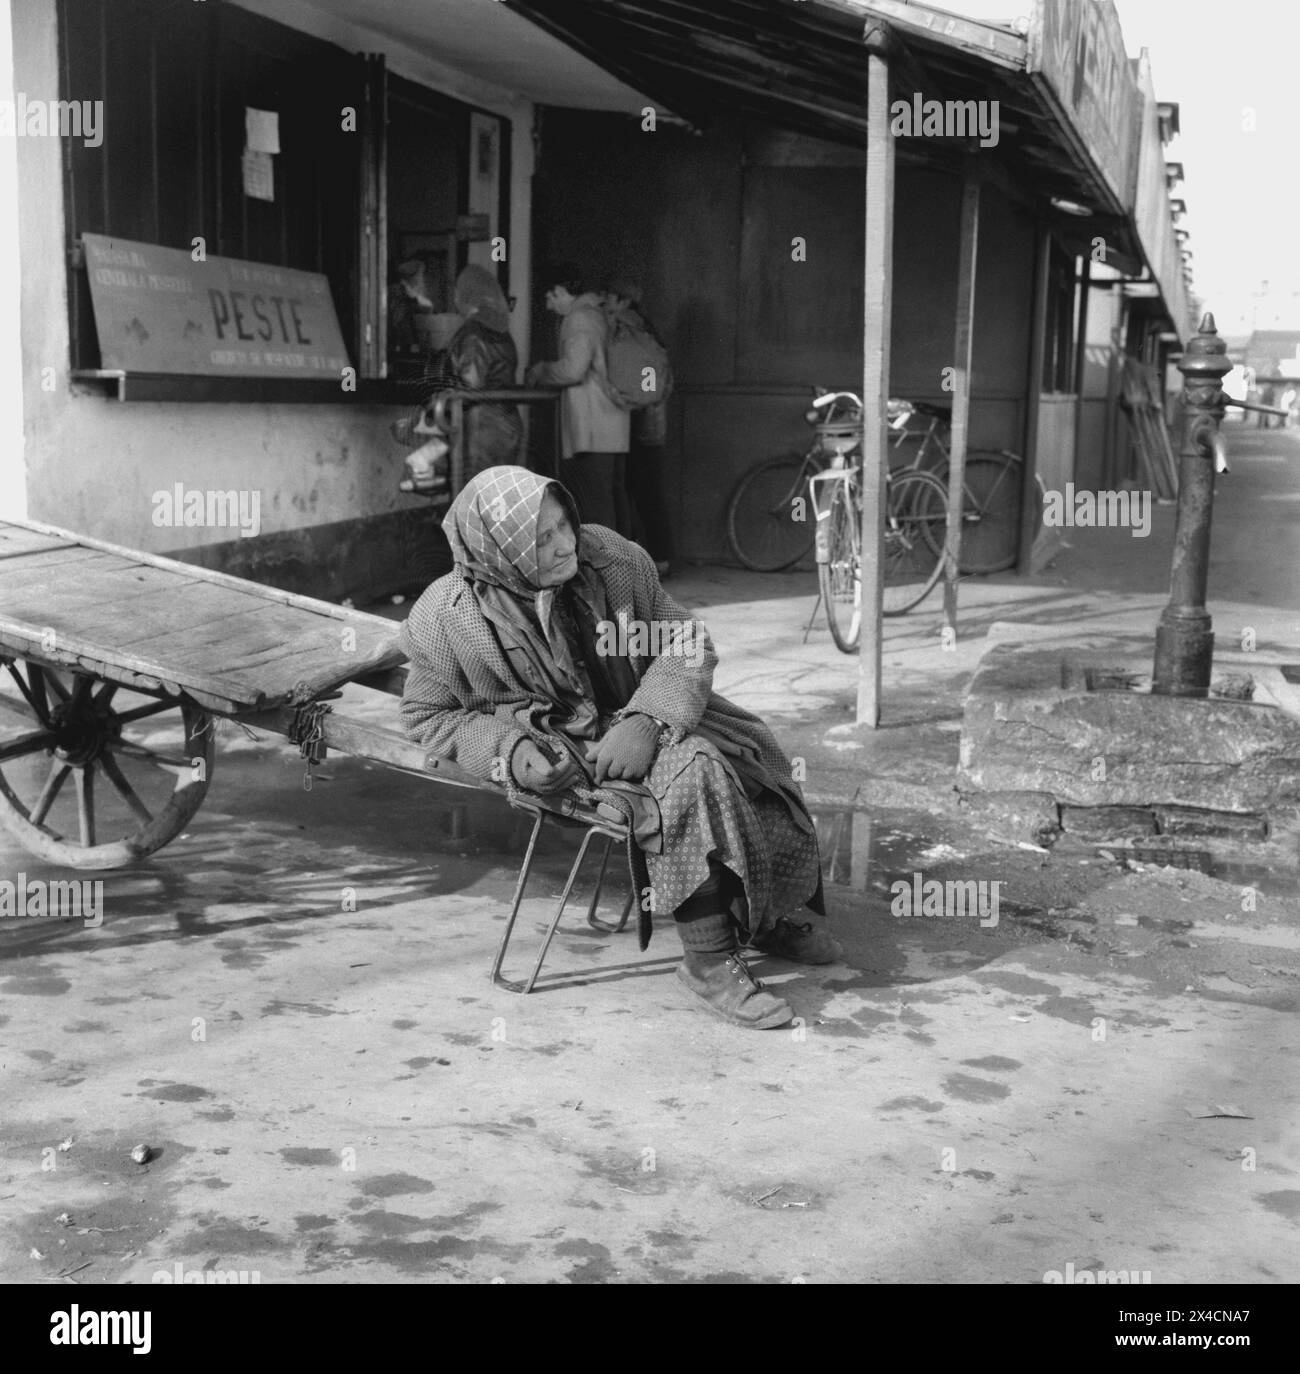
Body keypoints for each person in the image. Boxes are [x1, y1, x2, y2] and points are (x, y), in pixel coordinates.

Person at [398, 466, 840, 1028]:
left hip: (638, 713)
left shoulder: (612, 558)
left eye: (565, 524)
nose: (565, 546)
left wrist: (649, 717)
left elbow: (684, 638)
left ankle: (760, 914)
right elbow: (427, 714)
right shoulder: (446, 616)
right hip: (561, 751)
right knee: (696, 769)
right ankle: (708, 960)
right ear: (499, 551)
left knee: (752, 758)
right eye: (541, 539)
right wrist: (510, 752)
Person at [525, 266, 632, 536]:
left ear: (561, 291)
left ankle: (608, 572)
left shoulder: (580, 318)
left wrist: (542, 371)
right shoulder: (600, 313)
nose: (549, 306)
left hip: (593, 426)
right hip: (611, 423)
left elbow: (574, 369)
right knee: (613, 498)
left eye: (550, 298)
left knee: (596, 505)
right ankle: (625, 568)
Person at [603, 279, 675, 577]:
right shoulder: (648, 329)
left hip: (634, 418)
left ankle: (652, 558)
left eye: (609, 297)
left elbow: (624, 373)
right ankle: (660, 556)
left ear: (622, 301)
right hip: (653, 418)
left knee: (636, 491)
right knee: (650, 491)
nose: (605, 303)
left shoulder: (623, 327)